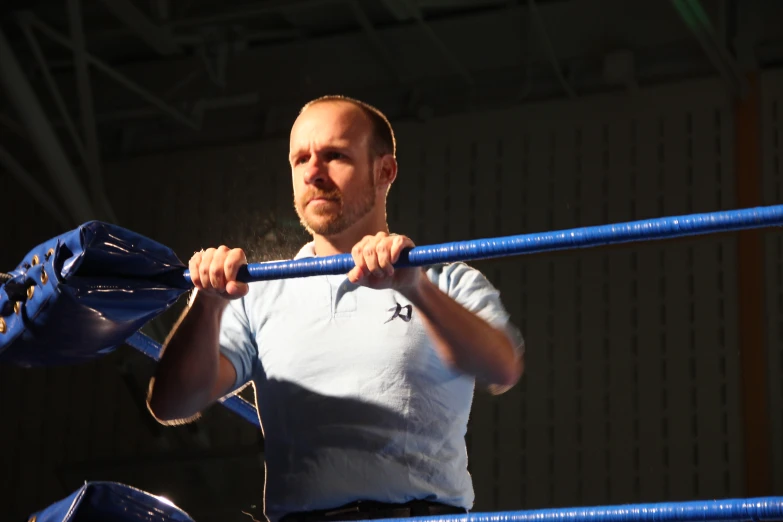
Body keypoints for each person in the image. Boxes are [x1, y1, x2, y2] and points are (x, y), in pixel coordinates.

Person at [147, 95, 525, 522]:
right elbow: (171, 405)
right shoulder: (259, 290)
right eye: (300, 159)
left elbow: (502, 368)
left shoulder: (446, 279)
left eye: (334, 156)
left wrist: (415, 288)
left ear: (384, 171)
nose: (313, 173)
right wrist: (208, 302)